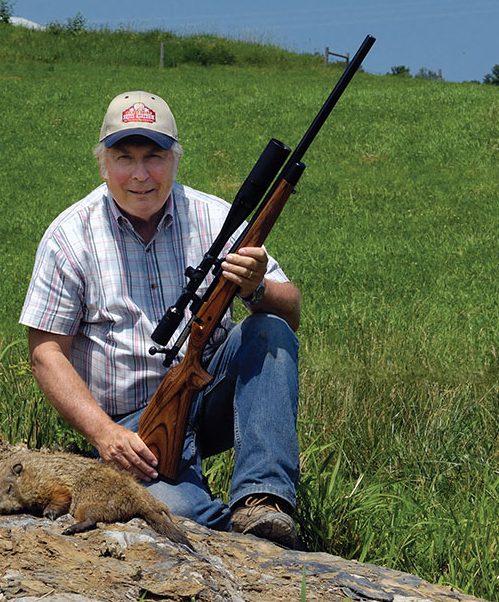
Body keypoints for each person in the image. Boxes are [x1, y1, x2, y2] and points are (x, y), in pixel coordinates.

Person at [19, 90, 302, 548]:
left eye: (154, 156)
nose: (140, 174)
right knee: (181, 514)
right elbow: (45, 352)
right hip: (129, 430)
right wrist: (104, 433)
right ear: (103, 164)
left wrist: (257, 288)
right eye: (124, 157)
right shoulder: (69, 237)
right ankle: (241, 541)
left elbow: (290, 312)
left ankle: (263, 503)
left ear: (175, 159)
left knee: (268, 331)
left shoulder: (217, 219)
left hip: (208, 398)